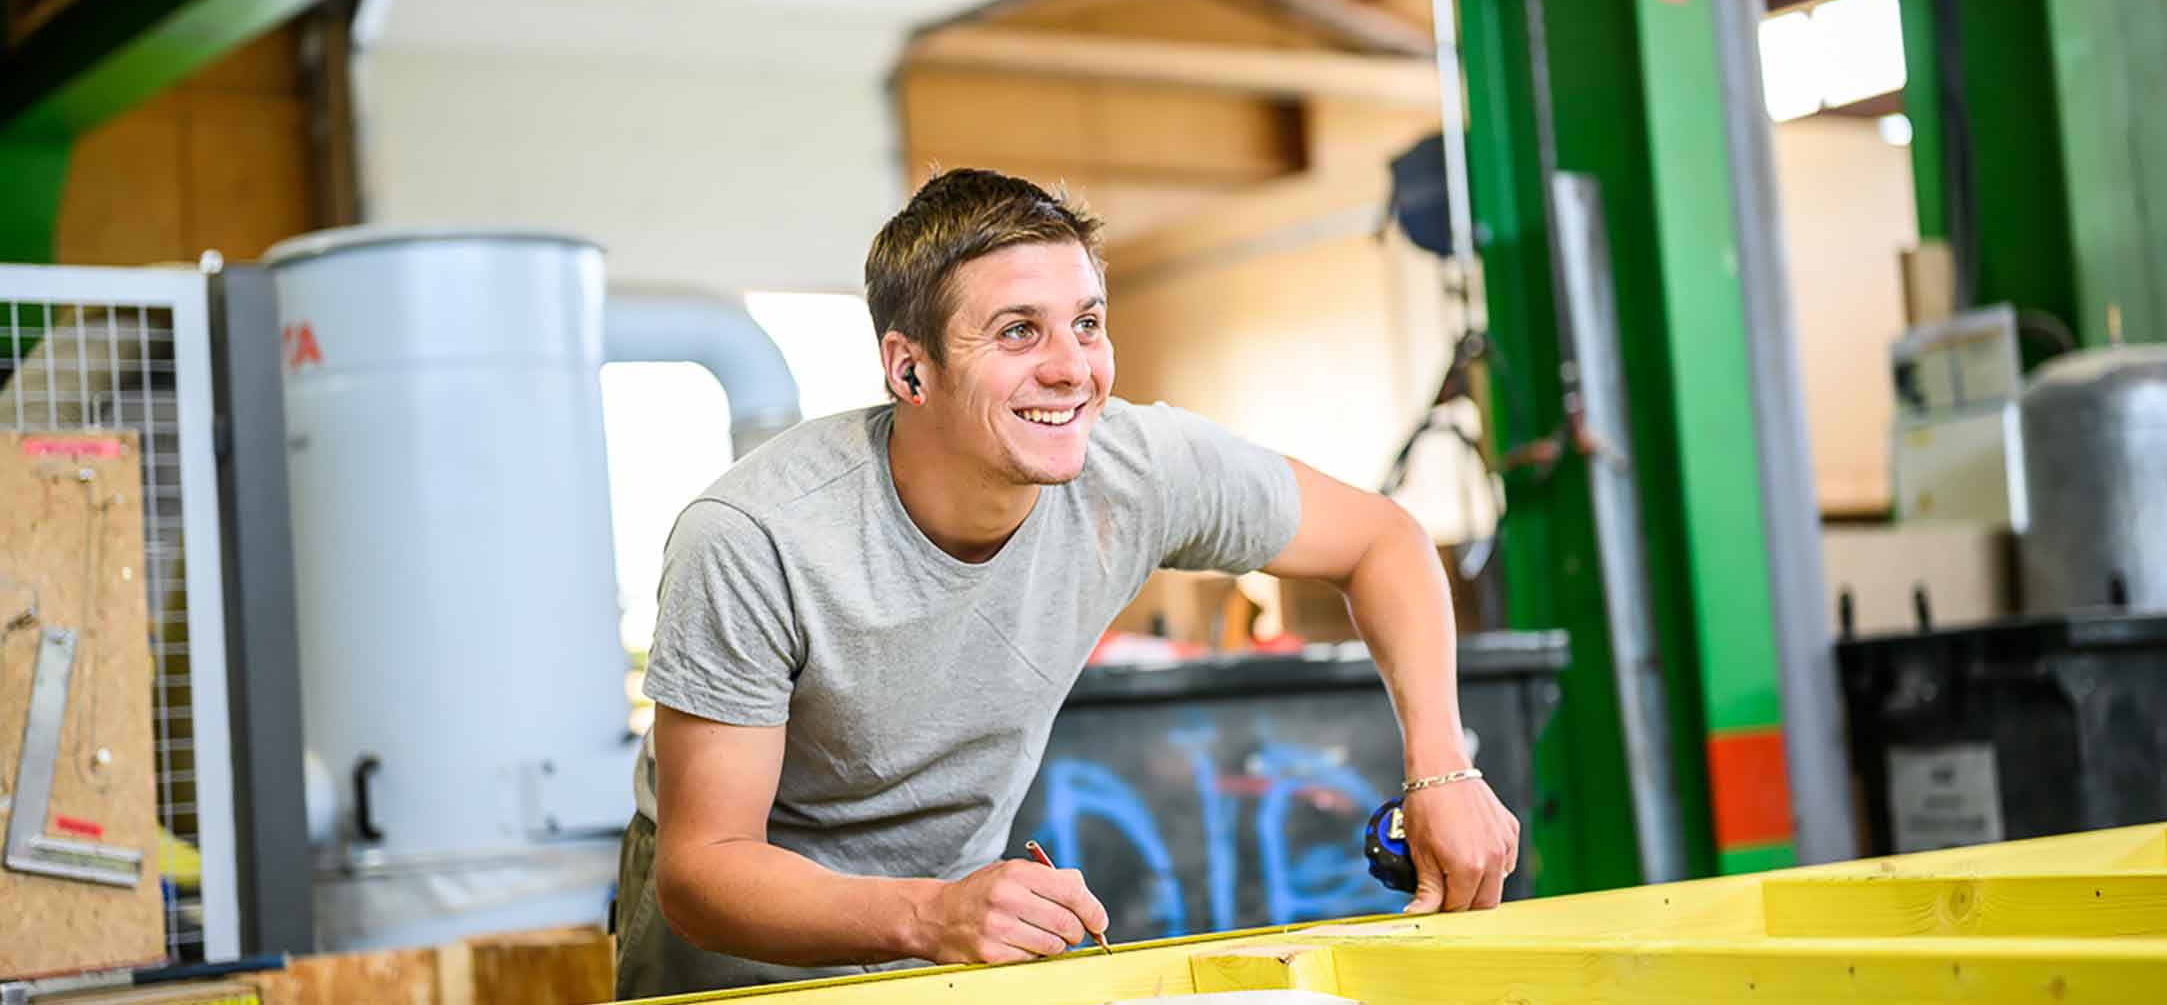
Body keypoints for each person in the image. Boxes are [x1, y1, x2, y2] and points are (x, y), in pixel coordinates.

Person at [613, 168, 1520, 997]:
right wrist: (928, 914)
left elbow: (1386, 541)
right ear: (909, 368)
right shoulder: (754, 538)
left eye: (1087, 321)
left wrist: (1443, 769)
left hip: (957, 940)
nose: (1071, 368)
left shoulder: (1136, 467)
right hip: (746, 956)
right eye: (1017, 331)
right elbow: (705, 871)